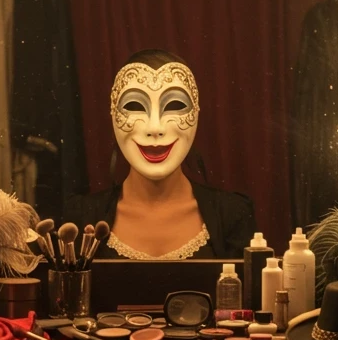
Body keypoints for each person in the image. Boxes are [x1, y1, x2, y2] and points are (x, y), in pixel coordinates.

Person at [65, 49, 255, 259]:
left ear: (196, 114)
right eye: (134, 106)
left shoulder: (232, 215)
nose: (155, 128)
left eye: (175, 105)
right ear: (113, 114)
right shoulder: (80, 217)